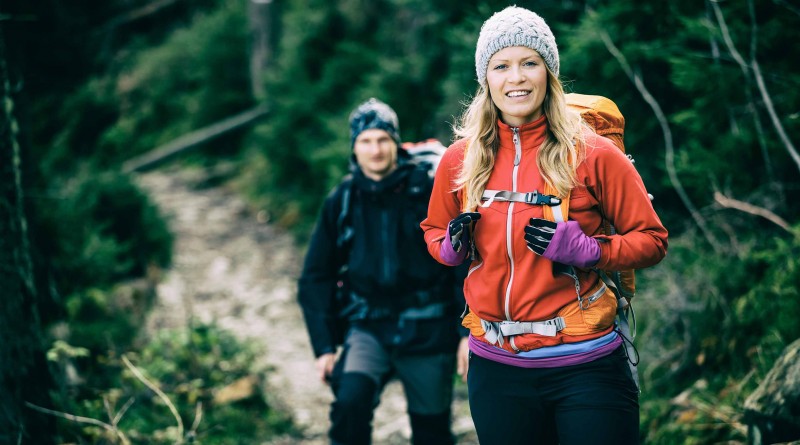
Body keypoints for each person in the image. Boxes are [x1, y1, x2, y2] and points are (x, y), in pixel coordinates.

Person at [420, 6, 668, 445]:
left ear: (549, 73)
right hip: (497, 370)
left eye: (529, 62)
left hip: (586, 366)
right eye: (502, 66)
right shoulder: (460, 160)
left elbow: (652, 241)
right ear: (486, 78)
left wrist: (593, 250)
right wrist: (449, 249)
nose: (516, 78)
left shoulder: (593, 154)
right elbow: (434, 230)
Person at [297, 98, 466, 445]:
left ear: (395, 142)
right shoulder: (343, 199)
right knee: (349, 405)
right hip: (368, 327)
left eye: (382, 140)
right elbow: (316, 275)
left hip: (429, 326)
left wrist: (466, 331)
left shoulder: (428, 190)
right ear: (354, 147)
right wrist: (324, 345)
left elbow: (461, 263)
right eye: (366, 141)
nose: (375, 150)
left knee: (432, 431)